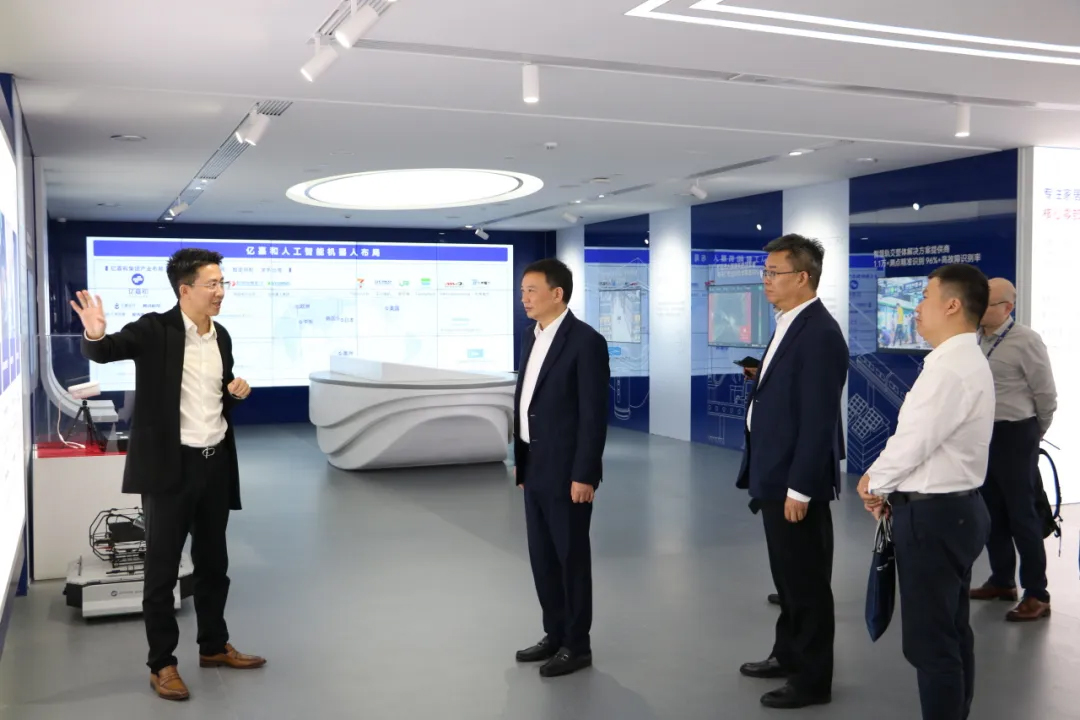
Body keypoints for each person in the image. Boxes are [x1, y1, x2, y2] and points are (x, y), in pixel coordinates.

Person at [72, 248, 265, 702]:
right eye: (212, 284)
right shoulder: (154, 329)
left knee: (214, 564)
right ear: (185, 289)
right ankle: (162, 663)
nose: (220, 292)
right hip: (169, 469)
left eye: (222, 283)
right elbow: (106, 350)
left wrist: (236, 391)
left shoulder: (221, 336)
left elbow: (216, 395)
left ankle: (213, 646)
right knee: (161, 571)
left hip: (215, 463)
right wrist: (95, 334)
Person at [858, 264, 994, 720]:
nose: (916, 308)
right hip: (957, 511)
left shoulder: (950, 368)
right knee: (951, 629)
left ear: (952, 305)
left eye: (925, 297)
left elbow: (915, 441)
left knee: (931, 642)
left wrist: (874, 482)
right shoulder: (961, 360)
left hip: (934, 519)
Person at [736, 234, 848, 710]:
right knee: (787, 579)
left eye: (773, 272)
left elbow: (818, 419)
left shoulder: (820, 333)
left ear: (803, 277)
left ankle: (812, 679)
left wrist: (800, 489)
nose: (765, 280)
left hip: (794, 480)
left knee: (806, 583)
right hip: (773, 470)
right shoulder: (789, 322)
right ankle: (787, 654)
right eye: (764, 272)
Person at [512, 258, 610, 678]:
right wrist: (521, 462)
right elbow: (527, 401)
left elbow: (593, 414)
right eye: (522, 291)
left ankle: (577, 645)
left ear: (558, 293)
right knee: (542, 558)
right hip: (534, 466)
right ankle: (554, 633)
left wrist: (584, 474)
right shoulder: (530, 336)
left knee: (570, 559)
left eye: (532, 290)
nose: (524, 298)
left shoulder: (585, 342)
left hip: (568, 471)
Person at [971, 277, 1056, 621]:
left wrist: (1035, 433)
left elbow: (1045, 394)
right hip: (983, 434)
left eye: (987, 303)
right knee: (991, 512)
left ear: (1008, 307)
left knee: (1023, 516)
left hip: (1017, 433)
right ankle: (1002, 580)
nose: (979, 308)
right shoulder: (974, 338)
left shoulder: (1026, 340)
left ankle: (1037, 593)